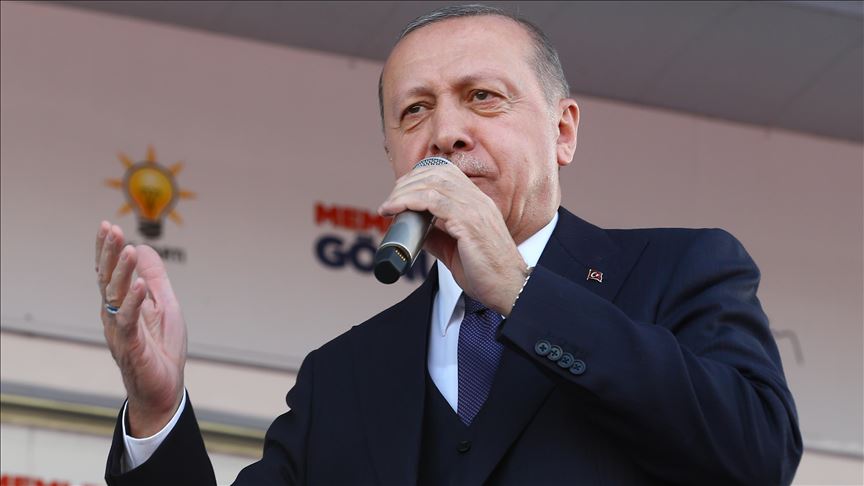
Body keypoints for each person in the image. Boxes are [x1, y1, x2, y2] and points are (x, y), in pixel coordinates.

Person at [96, 4, 802, 485]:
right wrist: (158, 412)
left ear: (563, 132)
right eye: (415, 110)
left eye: (483, 97)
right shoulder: (343, 377)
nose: (446, 133)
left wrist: (523, 295)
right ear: (392, 154)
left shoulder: (677, 273)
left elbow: (757, 455)